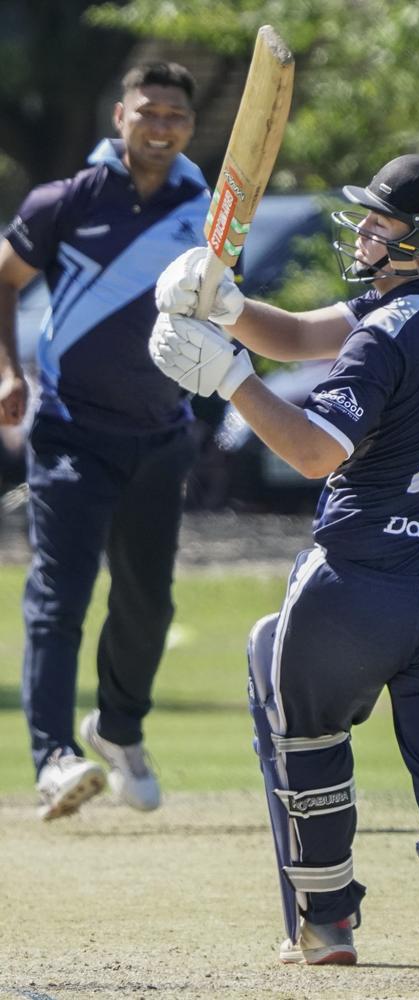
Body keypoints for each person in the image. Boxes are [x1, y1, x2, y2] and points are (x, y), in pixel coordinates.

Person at [150, 153, 419, 973]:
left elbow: (316, 452)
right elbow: (310, 332)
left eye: (385, 223)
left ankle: (325, 926)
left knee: (291, 706)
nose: (368, 231)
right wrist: (233, 308)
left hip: (358, 582)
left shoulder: (382, 338)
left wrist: (230, 379)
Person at [0, 61, 210, 821]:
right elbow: (4, 278)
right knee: (59, 597)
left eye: (174, 116)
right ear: (119, 115)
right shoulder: (66, 201)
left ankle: (118, 730)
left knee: (148, 603)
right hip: (68, 432)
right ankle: (55, 758)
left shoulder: (209, 209)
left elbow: (223, 307)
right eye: (148, 111)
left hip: (162, 435)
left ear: (189, 125)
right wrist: (7, 373)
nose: (161, 126)